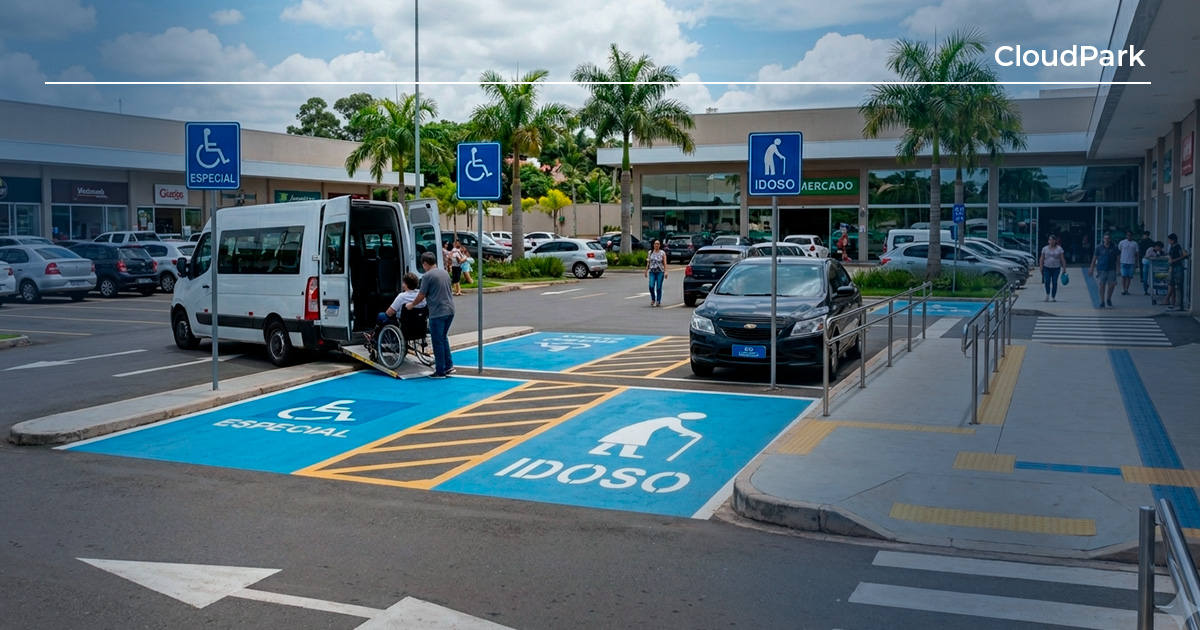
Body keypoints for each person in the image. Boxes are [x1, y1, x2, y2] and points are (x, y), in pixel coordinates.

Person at [406, 251, 455, 378]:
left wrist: (412, 304)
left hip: (438, 312)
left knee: (437, 341)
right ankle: (449, 365)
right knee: (443, 338)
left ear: (425, 264)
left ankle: (440, 371)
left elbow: (421, 295)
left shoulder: (427, 276)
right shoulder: (444, 272)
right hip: (450, 310)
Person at [1090, 233, 1119, 308]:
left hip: (1111, 268)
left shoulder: (1114, 247)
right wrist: (1091, 268)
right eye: (1105, 238)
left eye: (1108, 238)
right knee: (1101, 284)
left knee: (1112, 284)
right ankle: (1102, 300)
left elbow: (1118, 258)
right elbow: (1094, 258)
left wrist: (1118, 267)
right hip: (1101, 268)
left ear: (1110, 239)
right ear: (1103, 239)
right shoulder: (1099, 248)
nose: (1107, 240)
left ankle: (1108, 298)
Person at [1165, 233, 1190, 311]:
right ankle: (1174, 302)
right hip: (1172, 267)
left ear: (1173, 240)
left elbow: (1185, 255)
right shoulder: (1172, 247)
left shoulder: (1178, 247)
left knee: (1178, 285)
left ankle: (1179, 304)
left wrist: (1174, 260)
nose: (1169, 241)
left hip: (1177, 267)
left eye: (1169, 240)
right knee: (1171, 284)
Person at [1038, 234, 1066, 302]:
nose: (1051, 241)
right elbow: (1042, 258)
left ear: (1055, 241)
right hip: (1047, 267)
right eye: (1050, 240)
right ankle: (1047, 294)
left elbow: (1062, 259)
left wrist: (1064, 268)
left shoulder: (1059, 249)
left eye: (1053, 240)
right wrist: (1041, 267)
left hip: (1056, 268)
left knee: (1054, 282)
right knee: (1047, 281)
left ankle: (1053, 296)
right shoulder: (1045, 248)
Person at [645, 239, 667, 306]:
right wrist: (646, 271)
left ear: (660, 245)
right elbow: (648, 262)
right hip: (652, 272)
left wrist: (666, 271)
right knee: (651, 286)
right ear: (653, 245)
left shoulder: (662, 253)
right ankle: (653, 299)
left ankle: (658, 300)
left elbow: (665, 263)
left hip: (660, 272)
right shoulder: (650, 252)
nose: (656, 245)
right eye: (655, 244)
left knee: (659, 287)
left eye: (658, 244)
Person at [1117, 230, 1140, 295]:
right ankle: (1123, 289)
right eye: (1127, 235)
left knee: (1129, 277)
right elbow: (1119, 252)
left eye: (1130, 235)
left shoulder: (1135, 244)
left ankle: (1127, 289)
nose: (1129, 236)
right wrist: (1118, 262)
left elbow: (1137, 253)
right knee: (1123, 276)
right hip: (1123, 261)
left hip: (1131, 262)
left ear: (1132, 236)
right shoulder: (1122, 243)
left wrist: (1136, 263)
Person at [1138, 230, 1155, 295]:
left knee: (1144, 272)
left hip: (1143, 258)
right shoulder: (1151, 242)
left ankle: (1142, 279)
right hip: (1149, 259)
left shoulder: (1141, 242)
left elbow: (1140, 250)